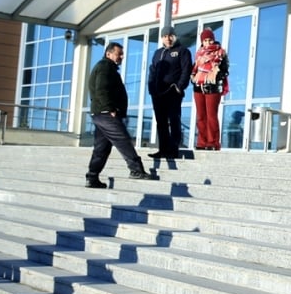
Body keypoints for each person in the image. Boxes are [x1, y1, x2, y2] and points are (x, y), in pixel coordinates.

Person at [85, 43, 155, 187]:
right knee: (123, 139)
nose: (121, 57)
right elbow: (101, 89)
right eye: (119, 54)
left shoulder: (106, 67)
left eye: (122, 54)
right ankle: (136, 170)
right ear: (108, 54)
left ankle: (92, 177)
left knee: (101, 148)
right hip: (105, 113)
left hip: (100, 113)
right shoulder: (105, 67)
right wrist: (109, 108)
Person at [147, 25, 192, 159]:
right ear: (162, 38)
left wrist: (180, 86)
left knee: (174, 120)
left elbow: (186, 70)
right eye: (165, 36)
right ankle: (163, 149)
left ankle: (173, 149)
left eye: (170, 35)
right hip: (157, 93)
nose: (168, 39)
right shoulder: (157, 53)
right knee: (161, 122)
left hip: (173, 92)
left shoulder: (182, 51)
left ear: (174, 36)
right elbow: (152, 71)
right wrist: (151, 89)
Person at [191, 28, 229, 151]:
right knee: (201, 116)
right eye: (205, 40)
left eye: (210, 40)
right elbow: (195, 69)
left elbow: (224, 70)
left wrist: (216, 74)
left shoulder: (220, 52)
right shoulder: (199, 53)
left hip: (212, 86)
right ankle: (202, 142)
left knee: (211, 115)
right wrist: (193, 76)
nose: (208, 43)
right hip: (198, 86)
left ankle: (213, 142)